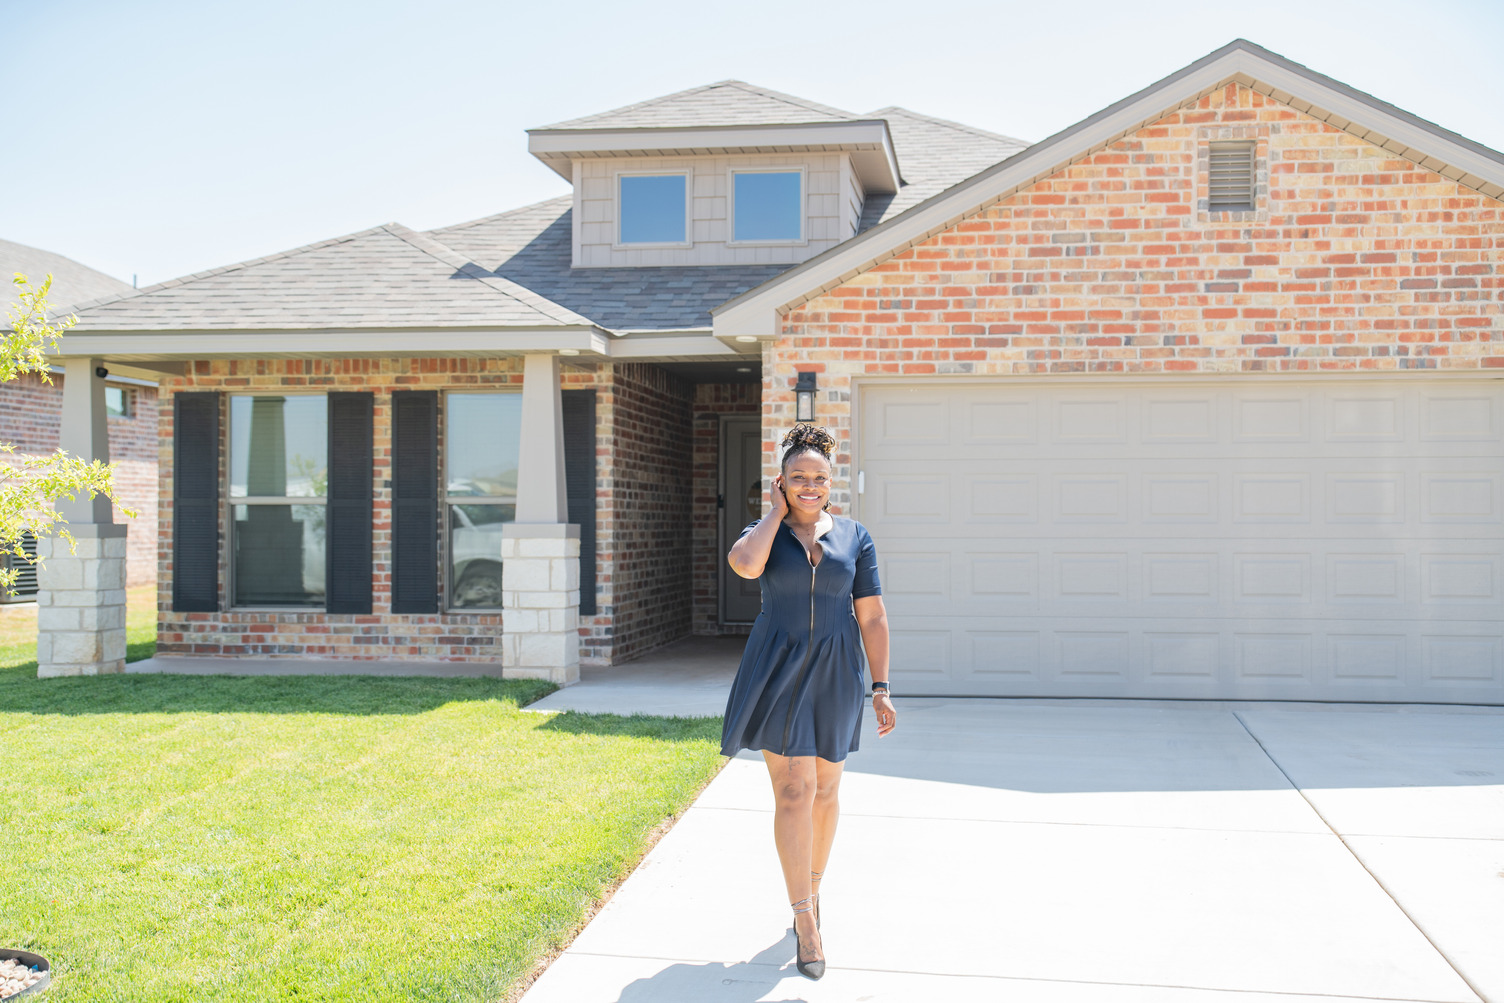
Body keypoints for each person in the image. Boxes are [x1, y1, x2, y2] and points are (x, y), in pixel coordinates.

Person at [721, 423, 895, 981]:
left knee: (825, 791)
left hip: (836, 674)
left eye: (819, 477)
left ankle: (811, 891)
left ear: (831, 480)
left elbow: (870, 615)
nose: (810, 486)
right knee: (792, 790)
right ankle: (806, 922)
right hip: (777, 669)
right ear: (782, 482)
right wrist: (774, 513)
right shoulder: (763, 532)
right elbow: (745, 566)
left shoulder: (855, 537)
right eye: (798, 478)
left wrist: (881, 686)